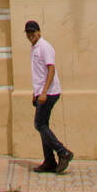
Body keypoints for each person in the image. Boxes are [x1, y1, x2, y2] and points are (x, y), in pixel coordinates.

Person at [25, 20, 74, 173]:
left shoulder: (44, 46)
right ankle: (49, 161)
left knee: (39, 124)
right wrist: (36, 92)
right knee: (42, 125)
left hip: (50, 92)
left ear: (39, 32)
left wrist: (44, 92)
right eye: (28, 33)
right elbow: (39, 73)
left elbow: (51, 70)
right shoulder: (34, 48)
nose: (31, 35)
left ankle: (63, 152)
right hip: (42, 92)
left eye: (33, 32)